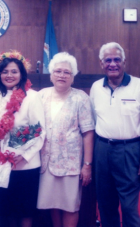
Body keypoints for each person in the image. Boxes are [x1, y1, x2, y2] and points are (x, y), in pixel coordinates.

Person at [90, 42, 140, 227]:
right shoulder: (96, 87)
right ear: (101, 63)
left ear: (124, 62)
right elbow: (94, 121)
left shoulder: (139, 85)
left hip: (129, 151)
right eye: (107, 60)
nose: (113, 64)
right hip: (102, 150)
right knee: (105, 204)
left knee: (128, 207)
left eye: (117, 59)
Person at [0, 50, 45, 227]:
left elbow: (39, 130)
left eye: (14, 71)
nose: (9, 75)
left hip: (25, 164)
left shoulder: (32, 96)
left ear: (22, 73)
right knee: (4, 211)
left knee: (24, 211)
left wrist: (22, 154)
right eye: (5, 71)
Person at [36, 52, 95, 227]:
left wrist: (87, 165)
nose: (62, 75)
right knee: (53, 204)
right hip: (46, 161)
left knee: (70, 206)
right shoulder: (41, 95)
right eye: (58, 71)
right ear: (51, 75)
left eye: (67, 72)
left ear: (73, 77)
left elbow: (88, 132)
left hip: (71, 163)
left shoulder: (81, 98)